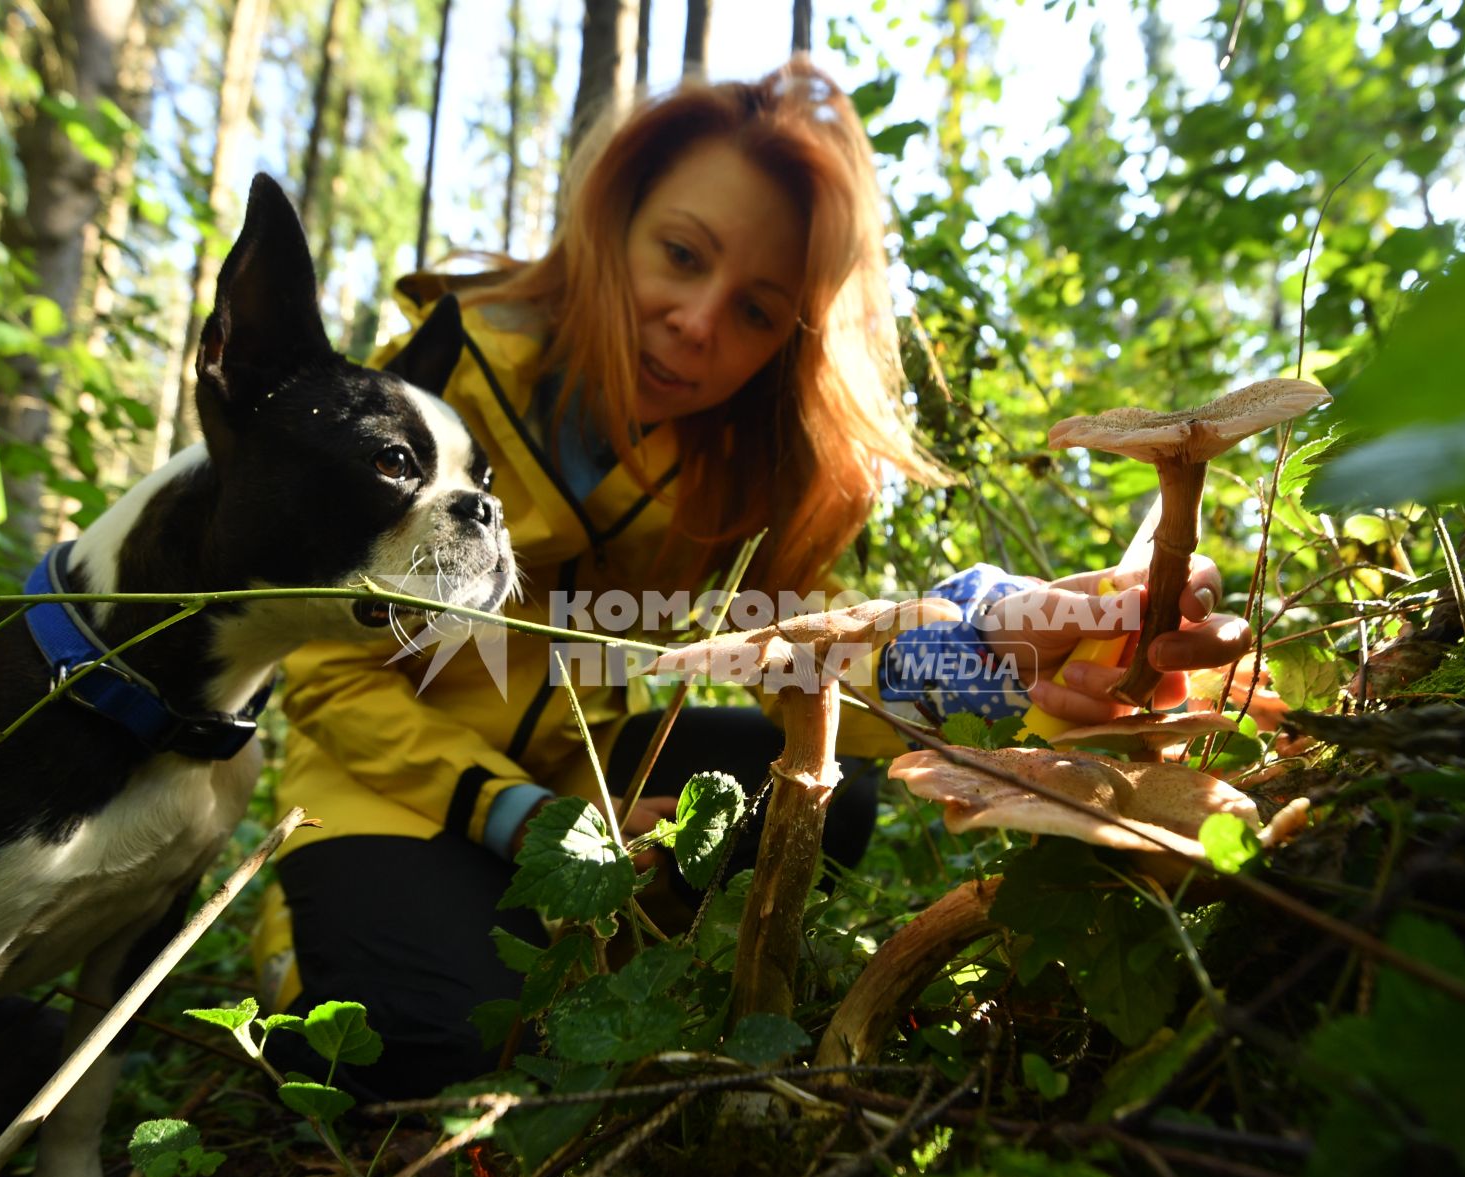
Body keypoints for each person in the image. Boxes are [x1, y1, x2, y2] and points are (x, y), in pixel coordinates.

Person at [250, 61, 1251, 1098]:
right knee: (428, 1053)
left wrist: (1002, 642)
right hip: (389, 790)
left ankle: (584, 958)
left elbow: (804, 647)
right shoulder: (432, 386)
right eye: (681, 255)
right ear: (615, 220)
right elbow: (329, 678)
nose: (699, 321)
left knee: (836, 802)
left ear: (788, 340)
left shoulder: (718, 463)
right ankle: (336, 937)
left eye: (757, 311)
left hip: (585, 769)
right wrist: (525, 819)